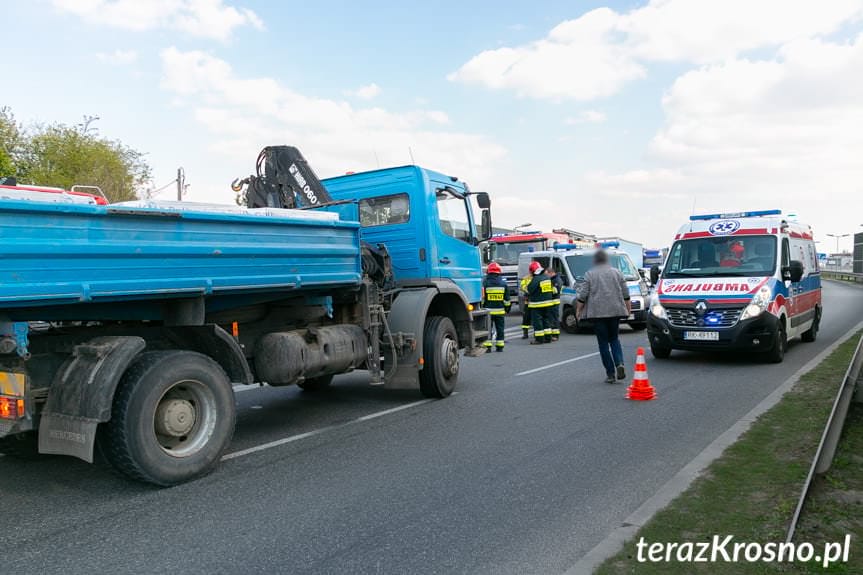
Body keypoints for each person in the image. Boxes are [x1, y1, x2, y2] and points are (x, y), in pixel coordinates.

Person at [576, 250, 631, 383]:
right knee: (614, 339)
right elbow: (626, 294)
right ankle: (619, 363)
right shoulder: (617, 272)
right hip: (615, 311)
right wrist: (628, 310)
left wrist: (578, 311)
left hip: (598, 313)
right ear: (607, 260)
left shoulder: (590, 274)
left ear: (595, 260)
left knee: (603, 343)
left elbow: (583, 295)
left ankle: (610, 374)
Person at [482, 262, 510, 352]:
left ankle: (488, 347)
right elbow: (507, 300)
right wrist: (507, 309)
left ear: (488, 272)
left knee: (488, 329)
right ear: (499, 272)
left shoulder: (485, 283)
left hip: (488, 311)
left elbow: (482, 298)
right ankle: (500, 346)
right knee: (500, 329)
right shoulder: (503, 283)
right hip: (500, 312)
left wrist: (482, 308)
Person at [526, 261, 555, 344]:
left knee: (537, 322)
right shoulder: (547, 277)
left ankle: (539, 339)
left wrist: (527, 284)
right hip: (548, 304)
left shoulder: (536, 279)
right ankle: (548, 338)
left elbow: (529, 290)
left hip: (537, 304)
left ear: (533, 271)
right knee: (546, 321)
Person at [546, 267, 562, 341]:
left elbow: (555, 291)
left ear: (550, 273)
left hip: (554, 302)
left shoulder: (556, 280)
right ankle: (553, 334)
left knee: (554, 319)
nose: (546, 276)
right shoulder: (553, 279)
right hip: (552, 302)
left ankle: (555, 335)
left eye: (547, 274)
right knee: (552, 319)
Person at [520, 272, 533, 339]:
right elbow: (522, 287)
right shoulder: (526, 278)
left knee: (537, 318)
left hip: (535, 301)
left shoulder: (538, 278)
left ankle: (537, 333)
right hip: (528, 301)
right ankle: (525, 334)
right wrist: (528, 290)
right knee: (526, 318)